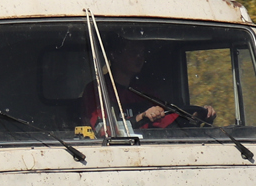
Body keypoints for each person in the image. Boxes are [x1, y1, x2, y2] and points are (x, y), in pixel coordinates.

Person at [79, 37, 214, 136]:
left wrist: (197, 115)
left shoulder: (144, 92)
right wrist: (141, 117)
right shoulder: (97, 90)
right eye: (133, 52)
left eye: (142, 52)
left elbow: (171, 123)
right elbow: (102, 129)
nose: (140, 57)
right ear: (114, 55)